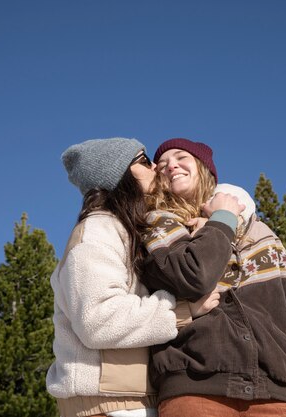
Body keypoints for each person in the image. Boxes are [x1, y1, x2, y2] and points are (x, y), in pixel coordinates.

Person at [141, 138, 286, 417]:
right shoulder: (159, 224)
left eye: (181, 157)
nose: (171, 165)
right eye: (162, 164)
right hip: (195, 390)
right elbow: (193, 277)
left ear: (204, 168)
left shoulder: (261, 234)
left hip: (275, 396)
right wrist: (221, 221)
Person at [46, 137, 220, 417]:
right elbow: (98, 318)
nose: (155, 166)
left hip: (132, 400)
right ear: (118, 175)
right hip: (106, 403)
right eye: (143, 160)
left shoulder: (129, 232)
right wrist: (182, 310)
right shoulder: (97, 230)